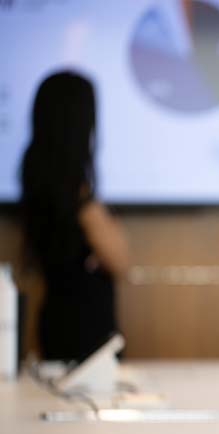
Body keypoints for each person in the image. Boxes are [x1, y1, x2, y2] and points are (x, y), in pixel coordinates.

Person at [19, 71, 129, 363]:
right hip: (86, 326)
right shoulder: (74, 189)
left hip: (56, 319)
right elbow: (119, 260)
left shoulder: (34, 172)